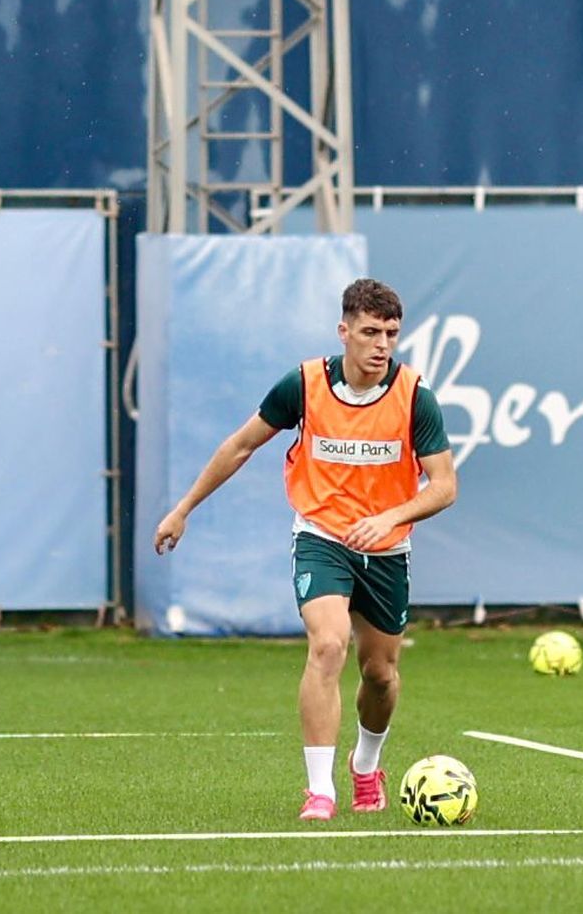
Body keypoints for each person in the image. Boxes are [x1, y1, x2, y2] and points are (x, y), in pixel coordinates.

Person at [153, 278, 457, 822]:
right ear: (344, 332)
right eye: (369, 332)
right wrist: (184, 508)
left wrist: (389, 517)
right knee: (328, 645)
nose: (382, 344)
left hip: (386, 549)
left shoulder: (415, 396)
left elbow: (444, 486)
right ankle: (321, 791)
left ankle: (366, 767)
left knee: (381, 674)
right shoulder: (304, 385)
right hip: (321, 536)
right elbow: (241, 444)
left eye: (390, 333)